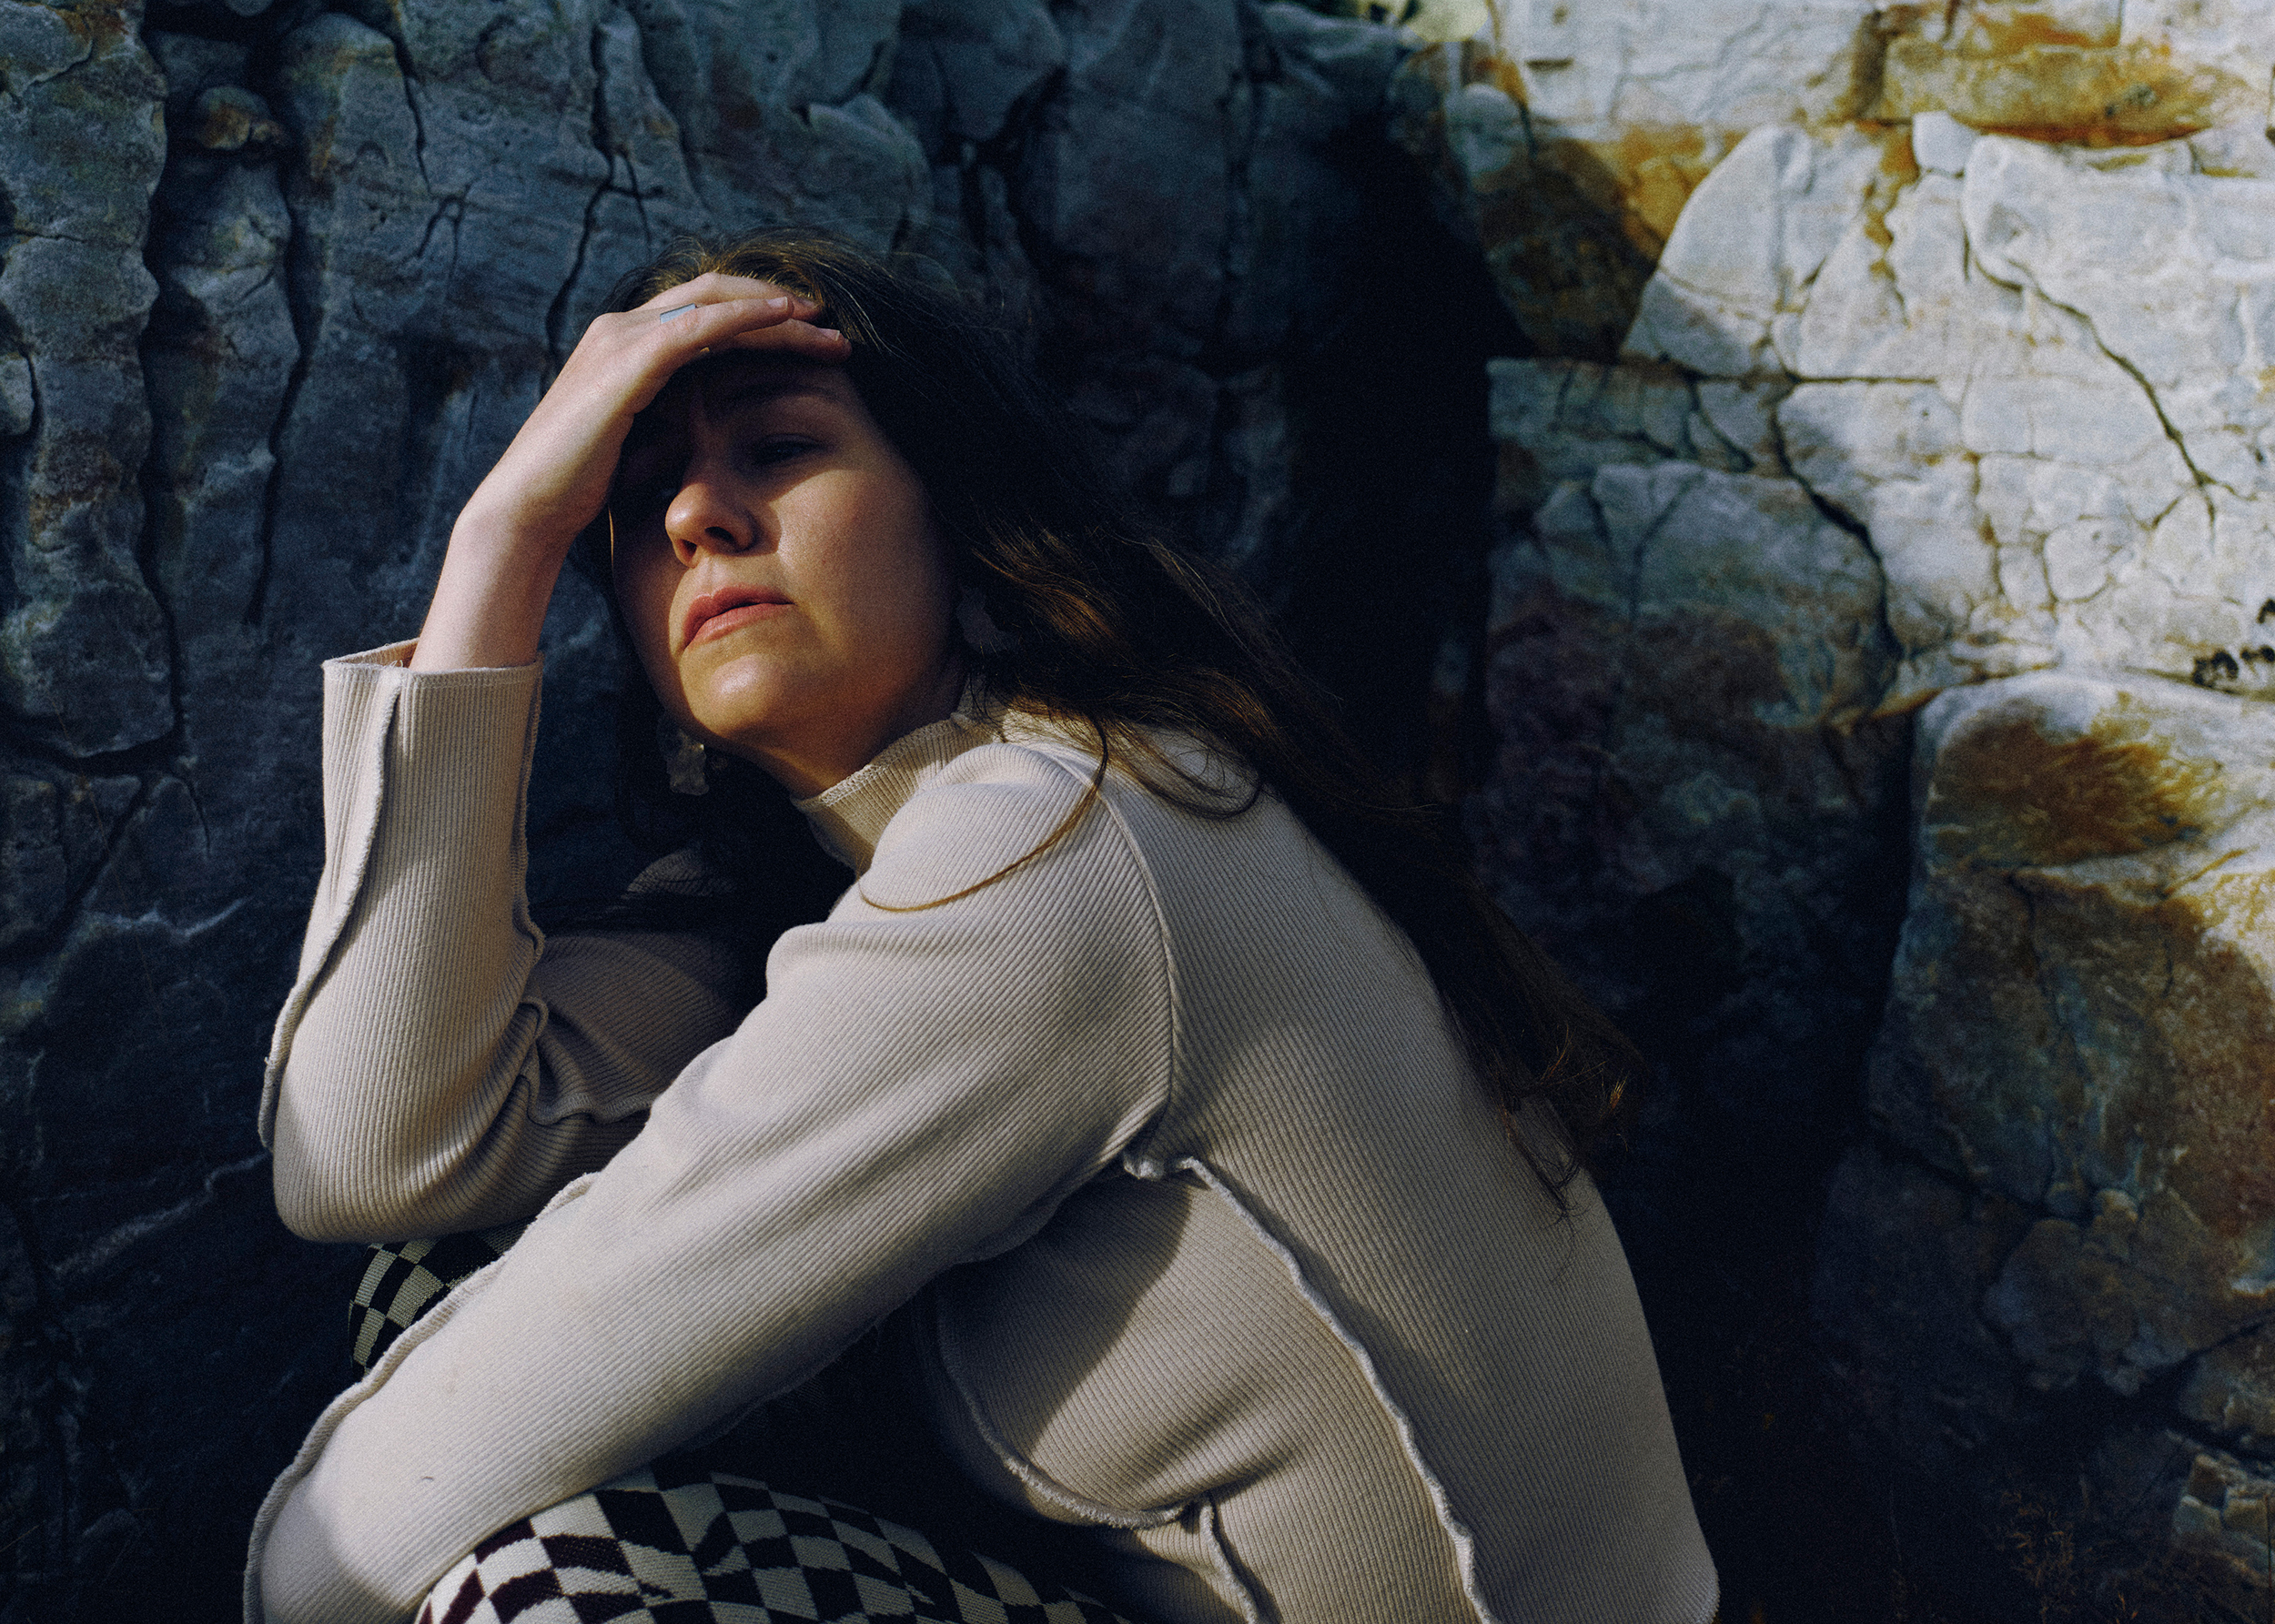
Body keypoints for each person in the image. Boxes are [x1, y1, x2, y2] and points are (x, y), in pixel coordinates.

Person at [244, 227, 1719, 1624]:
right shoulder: (833, 873)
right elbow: (385, 1148)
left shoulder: (1061, 840)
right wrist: (504, 540)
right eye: (634, 503)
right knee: (452, 1262)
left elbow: (346, 1550)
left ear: (961, 509)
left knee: (550, 1587)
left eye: (780, 447)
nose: (700, 515)